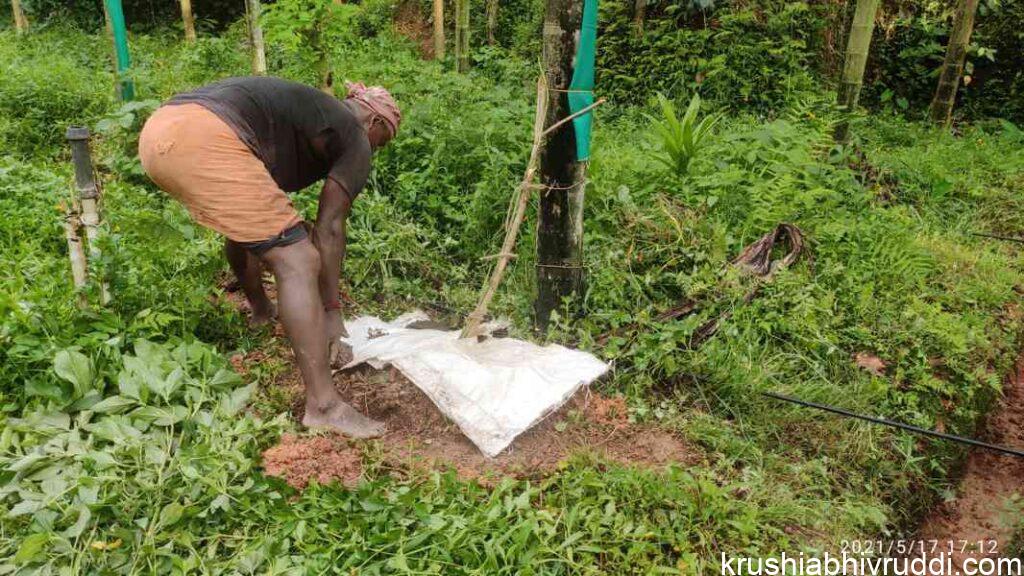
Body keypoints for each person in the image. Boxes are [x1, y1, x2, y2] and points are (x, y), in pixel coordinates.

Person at [139, 76, 401, 438]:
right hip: (206, 135)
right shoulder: (355, 136)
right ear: (373, 123)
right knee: (298, 258)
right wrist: (332, 313)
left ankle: (262, 311)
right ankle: (324, 407)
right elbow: (329, 229)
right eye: (382, 142)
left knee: (260, 225)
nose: (376, 152)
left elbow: (249, 225)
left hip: (161, 130)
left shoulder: (302, 117)